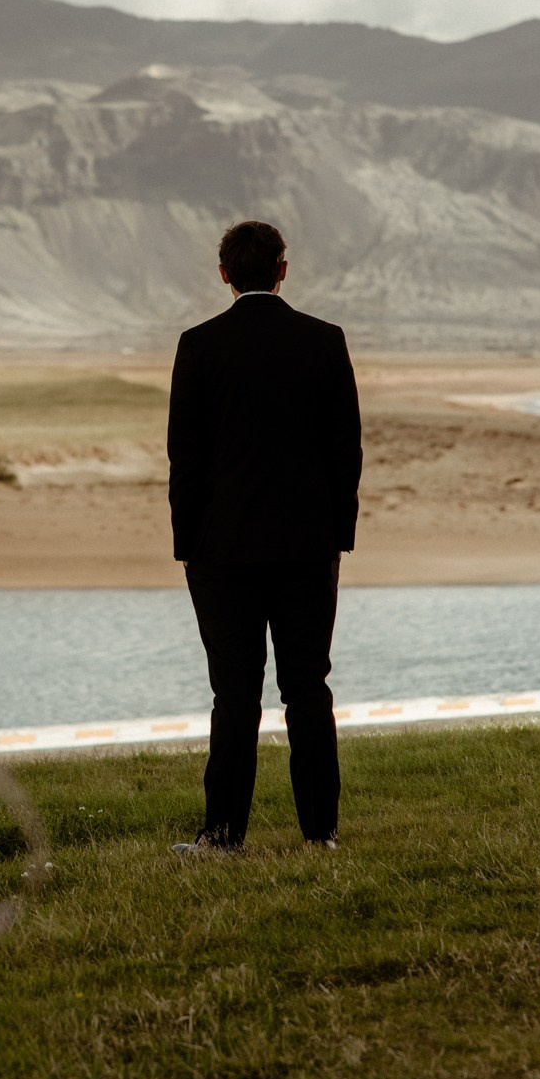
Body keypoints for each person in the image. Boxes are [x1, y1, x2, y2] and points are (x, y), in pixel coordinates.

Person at [166, 221, 362, 852]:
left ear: (224, 275)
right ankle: (320, 835)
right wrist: (337, 537)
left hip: (221, 553)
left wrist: (188, 546)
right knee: (308, 689)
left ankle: (223, 836)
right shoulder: (324, 342)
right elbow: (345, 452)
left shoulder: (198, 346)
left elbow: (185, 459)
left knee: (234, 696)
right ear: (283, 269)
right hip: (307, 549)